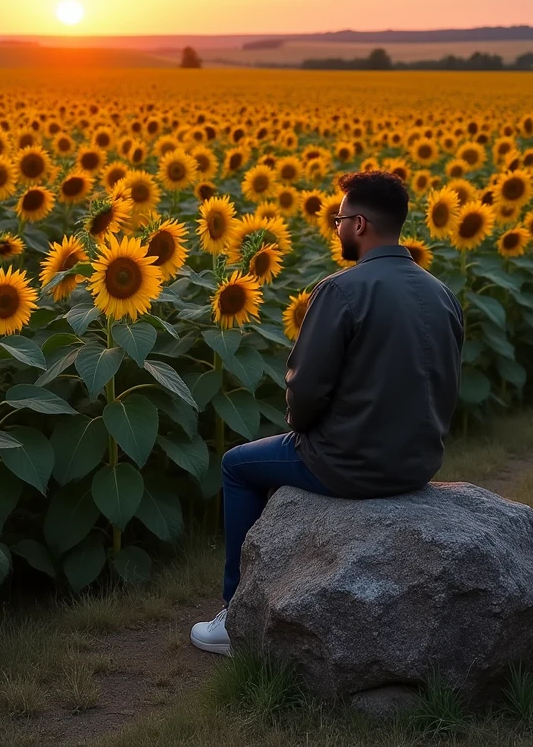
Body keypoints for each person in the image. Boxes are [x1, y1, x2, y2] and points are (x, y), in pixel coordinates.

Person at [190, 170, 464, 655]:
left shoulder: (341, 290)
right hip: (420, 463)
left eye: (338, 219)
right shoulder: (440, 292)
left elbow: (306, 392)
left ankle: (235, 617)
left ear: (359, 224)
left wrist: (301, 428)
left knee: (237, 465)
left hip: (348, 464)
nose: (336, 228)